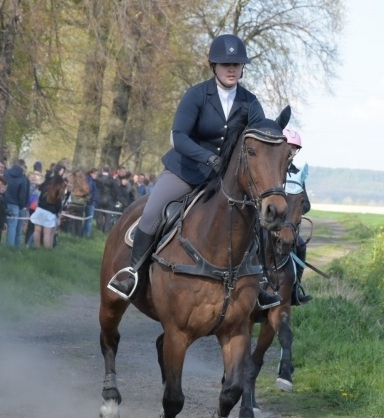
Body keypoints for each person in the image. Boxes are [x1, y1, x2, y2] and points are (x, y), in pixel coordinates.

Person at [107, 34, 280, 309]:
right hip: (186, 171)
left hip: (225, 180)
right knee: (152, 213)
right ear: (214, 66)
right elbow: (179, 136)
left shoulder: (251, 103)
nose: (231, 69)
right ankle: (133, 274)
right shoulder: (197, 95)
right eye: (225, 64)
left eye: (236, 64)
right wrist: (208, 158)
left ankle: (258, 283)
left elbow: (258, 139)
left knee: (256, 220)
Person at [283, 130, 312, 305]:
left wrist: (296, 209)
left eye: (294, 148)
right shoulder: (270, 168)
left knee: (300, 244)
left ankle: (295, 288)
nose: (291, 150)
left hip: (287, 226)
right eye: (288, 146)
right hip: (265, 223)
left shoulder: (297, 174)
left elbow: (306, 204)